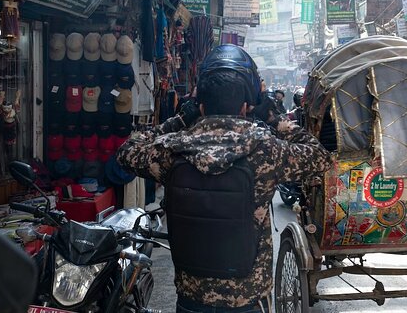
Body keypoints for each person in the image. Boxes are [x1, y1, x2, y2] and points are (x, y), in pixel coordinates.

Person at [116, 45, 333, 313]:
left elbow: (127, 152)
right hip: (246, 299)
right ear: (245, 107)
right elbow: (321, 158)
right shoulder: (265, 150)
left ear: (202, 106)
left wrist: (180, 119)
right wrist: (275, 119)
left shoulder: (171, 149)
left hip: (191, 298)